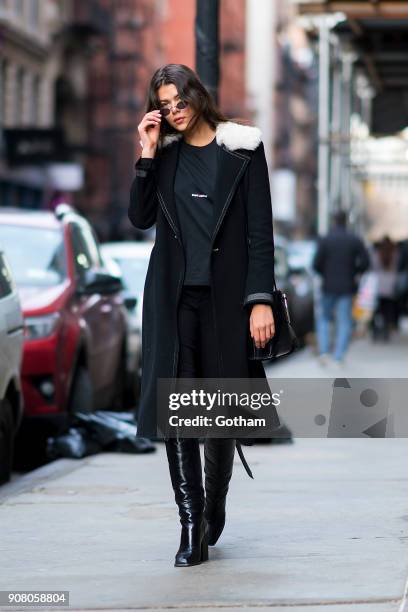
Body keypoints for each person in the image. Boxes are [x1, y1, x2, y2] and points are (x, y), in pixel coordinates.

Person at [128, 63, 280, 567]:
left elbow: (260, 230)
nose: (173, 112)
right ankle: (190, 523)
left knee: (220, 412)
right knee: (179, 415)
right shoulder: (164, 155)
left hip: (226, 301)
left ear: (197, 96)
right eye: (164, 105)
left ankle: (214, 501)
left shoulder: (242, 148)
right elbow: (140, 217)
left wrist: (260, 298)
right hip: (172, 302)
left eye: (179, 102)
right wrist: (146, 153)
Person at [313, 210, 370, 366]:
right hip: (347, 286)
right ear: (346, 222)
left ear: (333, 221)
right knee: (344, 321)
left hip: (328, 286)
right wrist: (355, 272)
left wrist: (326, 274)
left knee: (324, 318)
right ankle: (338, 356)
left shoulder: (325, 240)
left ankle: (324, 352)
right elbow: (366, 262)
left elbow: (315, 264)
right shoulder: (354, 240)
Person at [371, 236, 399, 341]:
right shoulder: (395, 253)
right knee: (388, 311)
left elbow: (373, 267)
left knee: (377, 311)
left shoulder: (377, 254)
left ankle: (375, 332)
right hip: (390, 285)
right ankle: (386, 333)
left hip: (378, 284)